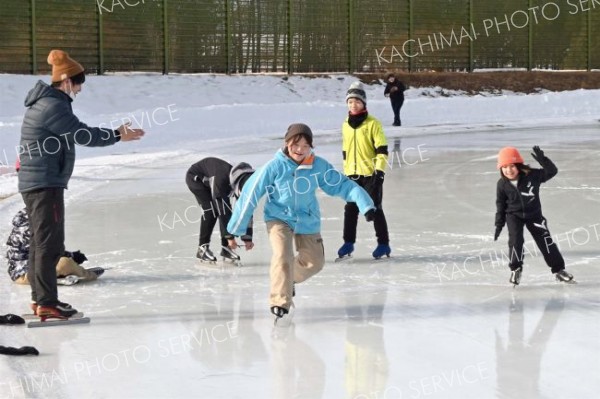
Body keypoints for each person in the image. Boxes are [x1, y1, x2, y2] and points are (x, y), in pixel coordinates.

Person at [18, 49, 144, 319]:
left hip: (42, 182)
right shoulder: (51, 105)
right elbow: (81, 134)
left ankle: (41, 300)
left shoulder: (49, 102)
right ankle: (47, 302)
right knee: (49, 245)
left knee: (42, 244)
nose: (79, 89)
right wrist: (115, 135)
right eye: (78, 83)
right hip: (44, 183)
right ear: (66, 81)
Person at [227, 123, 376, 319]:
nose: (300, 150)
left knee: (315, 263)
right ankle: (280, 300)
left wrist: (366, 204)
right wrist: (235, 228)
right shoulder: (274, 167)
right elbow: (250, 194)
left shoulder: (317, 166)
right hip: (278, 218)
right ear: (287, 143)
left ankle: (288, 281)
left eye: (306, 146)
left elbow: (343, 185)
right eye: (296, 144)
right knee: (282, 256)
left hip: (307, 220)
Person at [494, 146, 574, 285]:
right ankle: (516, 269)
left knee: (546, 242)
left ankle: (559, 270)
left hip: (534, 215)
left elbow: (552, 171)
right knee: (516, 242)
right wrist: (499, 224)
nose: (508, 170)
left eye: (512, 166)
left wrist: (543, 160)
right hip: (514, 216)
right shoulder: (502, 184)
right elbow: (500, 205)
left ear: (518, 165)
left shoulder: (532, 175)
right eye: (504, 167)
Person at [338, 81, 391, 260]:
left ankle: (383, 244)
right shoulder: (345, 124)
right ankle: (348, 243)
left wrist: (379, 172)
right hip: (352, 175)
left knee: (375, 209)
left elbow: (382, 150)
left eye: (357, 102)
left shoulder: (373, 123)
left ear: (364, 104)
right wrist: (346, 171)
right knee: (350, 209)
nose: (353, 105)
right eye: (350, 102)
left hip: (370, 174)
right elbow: (345, 149)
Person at [6, 208, 103, 285]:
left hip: (21, 272)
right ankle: (88, 275)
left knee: (62, 262)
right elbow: (46, 251)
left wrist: (70, 255)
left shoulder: (25, 225)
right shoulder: (31, 230)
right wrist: (71, 256)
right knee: (65, 263)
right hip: (26, 274)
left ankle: (57, 275)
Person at [185, 157, 255, 262]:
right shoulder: (222, 181)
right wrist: (230, 238)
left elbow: (246, 211)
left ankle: (225, 248)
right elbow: (223, 211)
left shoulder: (247, 181)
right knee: (211, 211)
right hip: (196, 178)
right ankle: (202, 248)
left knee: (225, 209)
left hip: (214, 177)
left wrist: (247, 237)